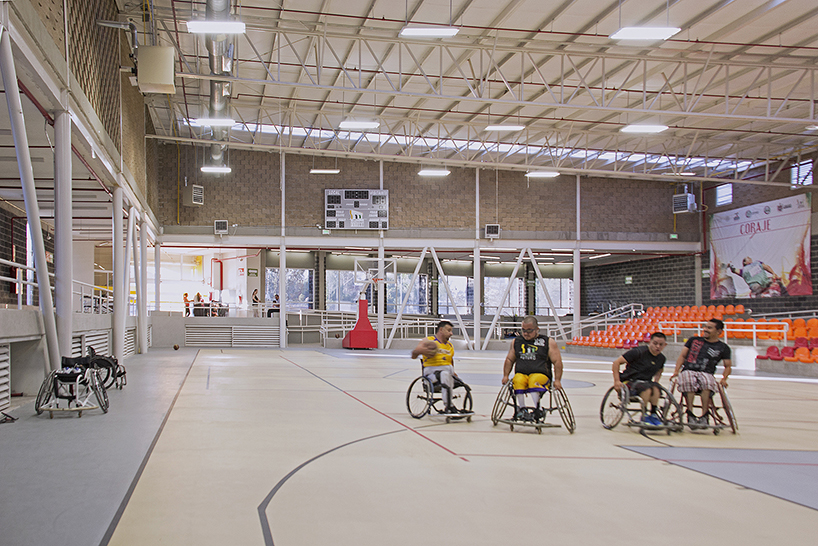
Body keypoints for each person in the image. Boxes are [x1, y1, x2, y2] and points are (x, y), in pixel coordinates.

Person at [671, 318, 732, 428]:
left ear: (719, 331)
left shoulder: (723, 348)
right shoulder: (693, 340)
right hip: (689, 369)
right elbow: (682, 356)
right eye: (705, 327)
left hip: (707, 372)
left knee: (707, 382)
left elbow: (727, 366)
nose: (705, 329)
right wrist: (676, 371)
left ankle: (705, 415)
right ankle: (690, 414)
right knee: (689, 380)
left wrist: (724, 379)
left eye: (709, 328)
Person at [501, 315, 564, 422]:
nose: (525, 333)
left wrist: (557, 380)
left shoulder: (548, 342)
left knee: (534, 380)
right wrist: (506, 375)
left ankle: (538, 409)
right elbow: (509, 360)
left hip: (541, 375)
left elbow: (557, 361)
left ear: (537, 329)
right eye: (523, 330)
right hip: (522, 373)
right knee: (517, 380)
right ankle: (522, 409)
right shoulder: (516, 342)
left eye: (529, 331)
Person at [612, 332, 668, 426]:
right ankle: (644, 414)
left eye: (661, 345)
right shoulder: (638, 352)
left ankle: (654, 414)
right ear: (650, 342)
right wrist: (616, 381)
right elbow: (616, 363)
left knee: (656, 388)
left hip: (646, 382)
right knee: (647, 389)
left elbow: (660, 370)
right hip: (630, 381)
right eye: (655, 343)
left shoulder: (661, 358)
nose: (658, 346)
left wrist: (656, 381)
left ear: (665, 345)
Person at [411, 320, 462, 414]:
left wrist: (453, 371)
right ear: (441, 330)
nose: (451, 333)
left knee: (448, 374)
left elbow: (450, 361)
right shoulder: (428, 341)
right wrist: (422, 350)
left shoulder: (450, 346)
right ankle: (449, 405)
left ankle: (450, 403)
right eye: (449, 330)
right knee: (445, 373)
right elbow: (413, 355)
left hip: (446, 372)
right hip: (431, 375)